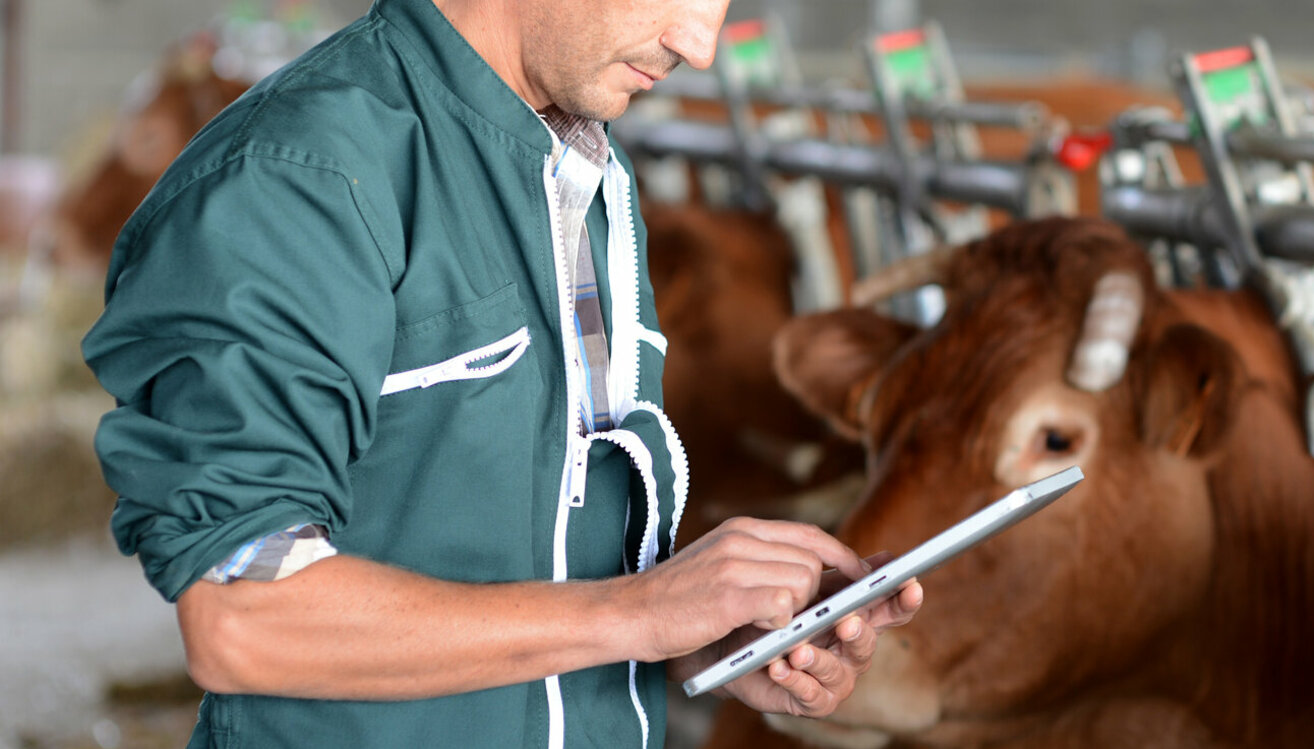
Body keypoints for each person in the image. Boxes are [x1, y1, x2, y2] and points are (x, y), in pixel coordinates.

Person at [81, 0, 922, 747]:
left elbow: (543, 561)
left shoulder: (585, 168)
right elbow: (241, 615)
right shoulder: (296, 178)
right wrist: (639, 612)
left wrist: (711, 628)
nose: (699, 42)